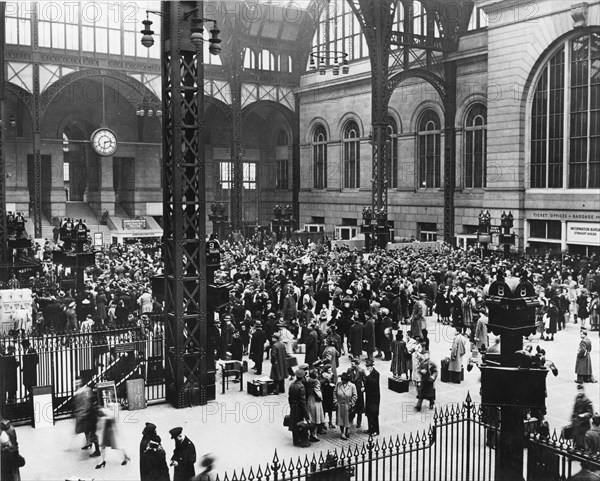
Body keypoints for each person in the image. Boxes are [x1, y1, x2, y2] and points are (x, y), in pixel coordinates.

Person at [95, 402, 130, 469]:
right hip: (107, 430)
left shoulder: (114, 411)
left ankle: (125, 456)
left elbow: (112, 416)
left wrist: (104, 417)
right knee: (103, 446)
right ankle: (101, 461)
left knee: (118, 446)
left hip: (113, 431)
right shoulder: (107, 410)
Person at [288, 369, 310, 447]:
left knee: (294, 423)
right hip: (299, 408)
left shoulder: (291, 385)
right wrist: (305, 412)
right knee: (300, 424)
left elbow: (289, 398)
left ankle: (295, 440)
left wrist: (291, 406)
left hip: (293, 406)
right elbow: (302, 401)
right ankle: (302, 440)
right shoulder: (301, 386)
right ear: (302, 377)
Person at [334, 371, 357, 440]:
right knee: (341, 419)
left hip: (348, 405)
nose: (342, 381)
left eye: (344, 379)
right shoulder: (338, 384)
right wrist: (335, 401)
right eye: (342, 379)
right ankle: (342, 433)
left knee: (348, 419)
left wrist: (351, 404)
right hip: (340, 405)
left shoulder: (352, 386)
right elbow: (334, 393)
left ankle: (347, 431)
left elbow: (355, 396)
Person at [571, 384, 594, 450]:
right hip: (577, 423)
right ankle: (576, 449)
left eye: (581, 390)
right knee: (576, 439)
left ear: (583, 390)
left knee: (583, 441)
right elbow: (575, 409)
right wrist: (573, 417)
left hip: (583, 425)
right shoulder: (577, 398)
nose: (580, 392)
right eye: (579, 390)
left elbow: (590, 413)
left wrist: (584, 415)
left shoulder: (587, 401)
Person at [415, 347, 437, 411]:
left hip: (429, 381)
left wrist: (433, 376)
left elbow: (435, 371)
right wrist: (421, 371)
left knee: (430, 394)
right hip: (424, 380)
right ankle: (419, 405)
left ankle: (431, 403)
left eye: (426, 355)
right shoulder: (422, 363)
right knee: (421, 393)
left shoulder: (431, 364)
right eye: (424, 355)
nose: (425, 356)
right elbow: (418, 369)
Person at [305, 370, 325, 441]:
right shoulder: (316, 382)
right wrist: (321, 397)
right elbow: (318, 392)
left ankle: (310, 433)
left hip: (309, 399)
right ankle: (314, 435)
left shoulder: (307, 380)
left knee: (311, 417)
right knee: (316, 418)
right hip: (315, 401)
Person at [363, 359, 381, 436]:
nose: (367, 368)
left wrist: (368, 376)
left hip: (374, 398)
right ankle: (370, 428)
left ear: (371, 367)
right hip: (368, 396)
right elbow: (367, 383)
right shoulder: (368, 373)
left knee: (374, 414)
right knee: (369, 413)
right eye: (367, 367)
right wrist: (364, 388)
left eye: (369, 367)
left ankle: (376, 430)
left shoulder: (376, 374)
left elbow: (374, 383)